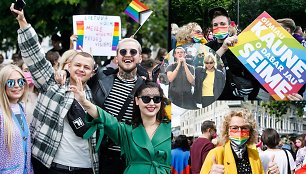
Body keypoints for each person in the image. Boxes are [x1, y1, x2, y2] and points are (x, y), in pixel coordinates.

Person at [11, 5, 99, 173]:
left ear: (93, 72)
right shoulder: (52, 83)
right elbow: (34, 54)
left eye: (86, 67)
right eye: (77, 65)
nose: (81, 69)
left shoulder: (96, 93)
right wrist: (22, 20)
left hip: (86, 166)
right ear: (69, 66)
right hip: (50, 164)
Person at [70, 81, 171, 174]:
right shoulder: (126, 130)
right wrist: (84, 102)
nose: (152, 103)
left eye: (157, 99)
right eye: (146, 99)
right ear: (136, 100)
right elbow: (106, 119)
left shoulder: (169, 128)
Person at [200, 109, 280, 174]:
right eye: (234, 128)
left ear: (250, 131)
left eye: (244, 128)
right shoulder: (216, 154)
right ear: (227, 131)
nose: (239, 132)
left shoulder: (254, 155)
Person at [206, 7, 260, 100]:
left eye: (222, 23)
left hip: (234, 96)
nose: (219, 27)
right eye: (215, 25)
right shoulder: (207, 47)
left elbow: (254, 75)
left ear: (229, 26)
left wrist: (252, 98)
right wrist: (223, 48)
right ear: (212, 28)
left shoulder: (240, 45)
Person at [0, 64, 33, 174]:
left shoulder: (20, 107)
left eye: (20, 81)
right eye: (10, 82)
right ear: (2, 85)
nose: (17, 86)